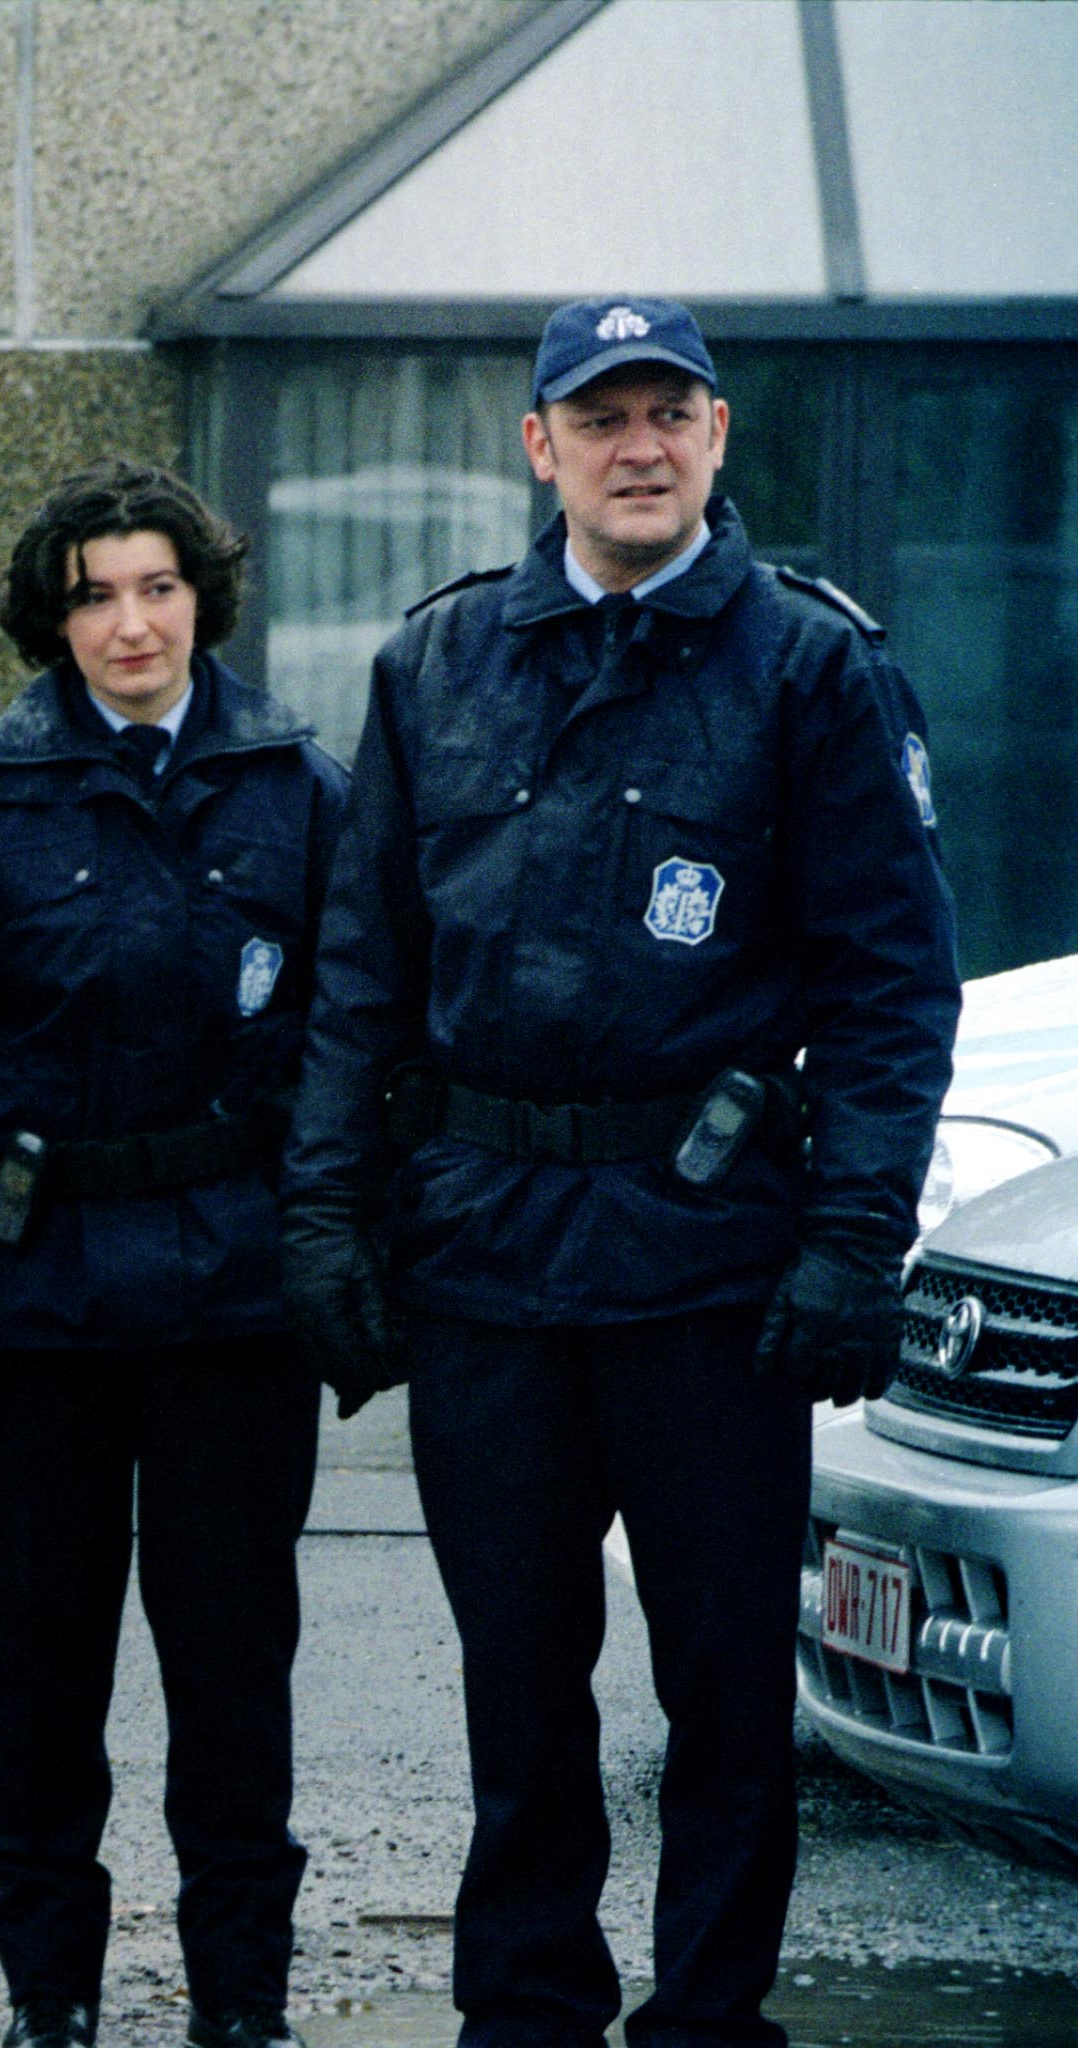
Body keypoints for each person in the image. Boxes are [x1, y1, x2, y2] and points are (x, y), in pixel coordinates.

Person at [282, 297, 958, 2048]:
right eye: (601, 418)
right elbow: (361, 979)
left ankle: (708, 2021)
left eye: (671, 413)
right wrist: (328, 1216)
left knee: (723, 1689)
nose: (637, 445)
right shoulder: (433, 665)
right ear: (542, 450)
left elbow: (893, 990)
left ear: (721, 439)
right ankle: (523, 2012)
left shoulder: (812, 667)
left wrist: (852, 1249)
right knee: (518, 1682)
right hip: (486, 1253)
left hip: (710, 1265)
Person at [0, 459, 345, 2048]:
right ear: (50, 623)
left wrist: (345, 1253)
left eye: (159, 588)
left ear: (205, 598)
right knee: (44, 1668)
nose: (132, 625)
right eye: (95, 596)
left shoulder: (300, 786)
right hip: (34, 1303)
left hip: (233, 1306)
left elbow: (357, 1043)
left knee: (232, 1660)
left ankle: (241, 1997)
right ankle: (46, 1993)